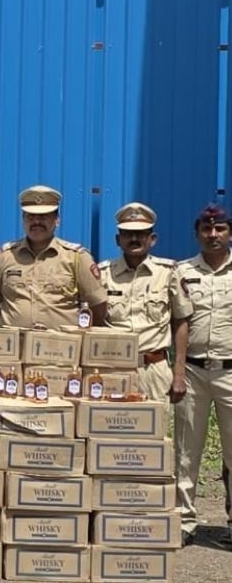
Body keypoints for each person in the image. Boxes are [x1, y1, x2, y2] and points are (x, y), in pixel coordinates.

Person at [174, 204, 232, 546]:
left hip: (230, 371)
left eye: (220, 229)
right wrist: (178, 371)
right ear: (197, 233)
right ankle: (184, 520)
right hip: (193, 371)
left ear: (229, 232)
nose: (213, 235)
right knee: (186, 451)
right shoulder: (182, 271)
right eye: (207, 229)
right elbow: (178, 322)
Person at [0, 185, 107, 330]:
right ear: (23, 220)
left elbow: (98, 307)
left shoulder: (77, 257)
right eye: (30, 217)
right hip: (17, 342)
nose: (36, 222)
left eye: (43, 217)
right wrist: (11, 325)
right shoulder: (3, 257)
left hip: (61, 343)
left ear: (57, 220)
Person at [99, 202, 191, 404]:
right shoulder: (103, 274)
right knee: (110, 422)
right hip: (113, 369)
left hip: (154, 370)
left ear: (152, 239)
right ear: (118, 240)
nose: (134, 239)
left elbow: (181, 322)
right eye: (127, 234)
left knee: (155, 423)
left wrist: (179, 374)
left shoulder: (168, 272)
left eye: (141, 234)